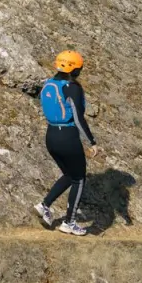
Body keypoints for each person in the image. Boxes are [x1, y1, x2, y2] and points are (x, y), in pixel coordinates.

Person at [34, 50, 98, 236]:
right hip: (67, 136)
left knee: (69, 174)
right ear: (76, 69)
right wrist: (92, 142)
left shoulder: (48, 84)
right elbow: (78, 118)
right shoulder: (72, 87)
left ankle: (44, 205)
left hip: (51, 135)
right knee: (79, 178)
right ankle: (69, 222)